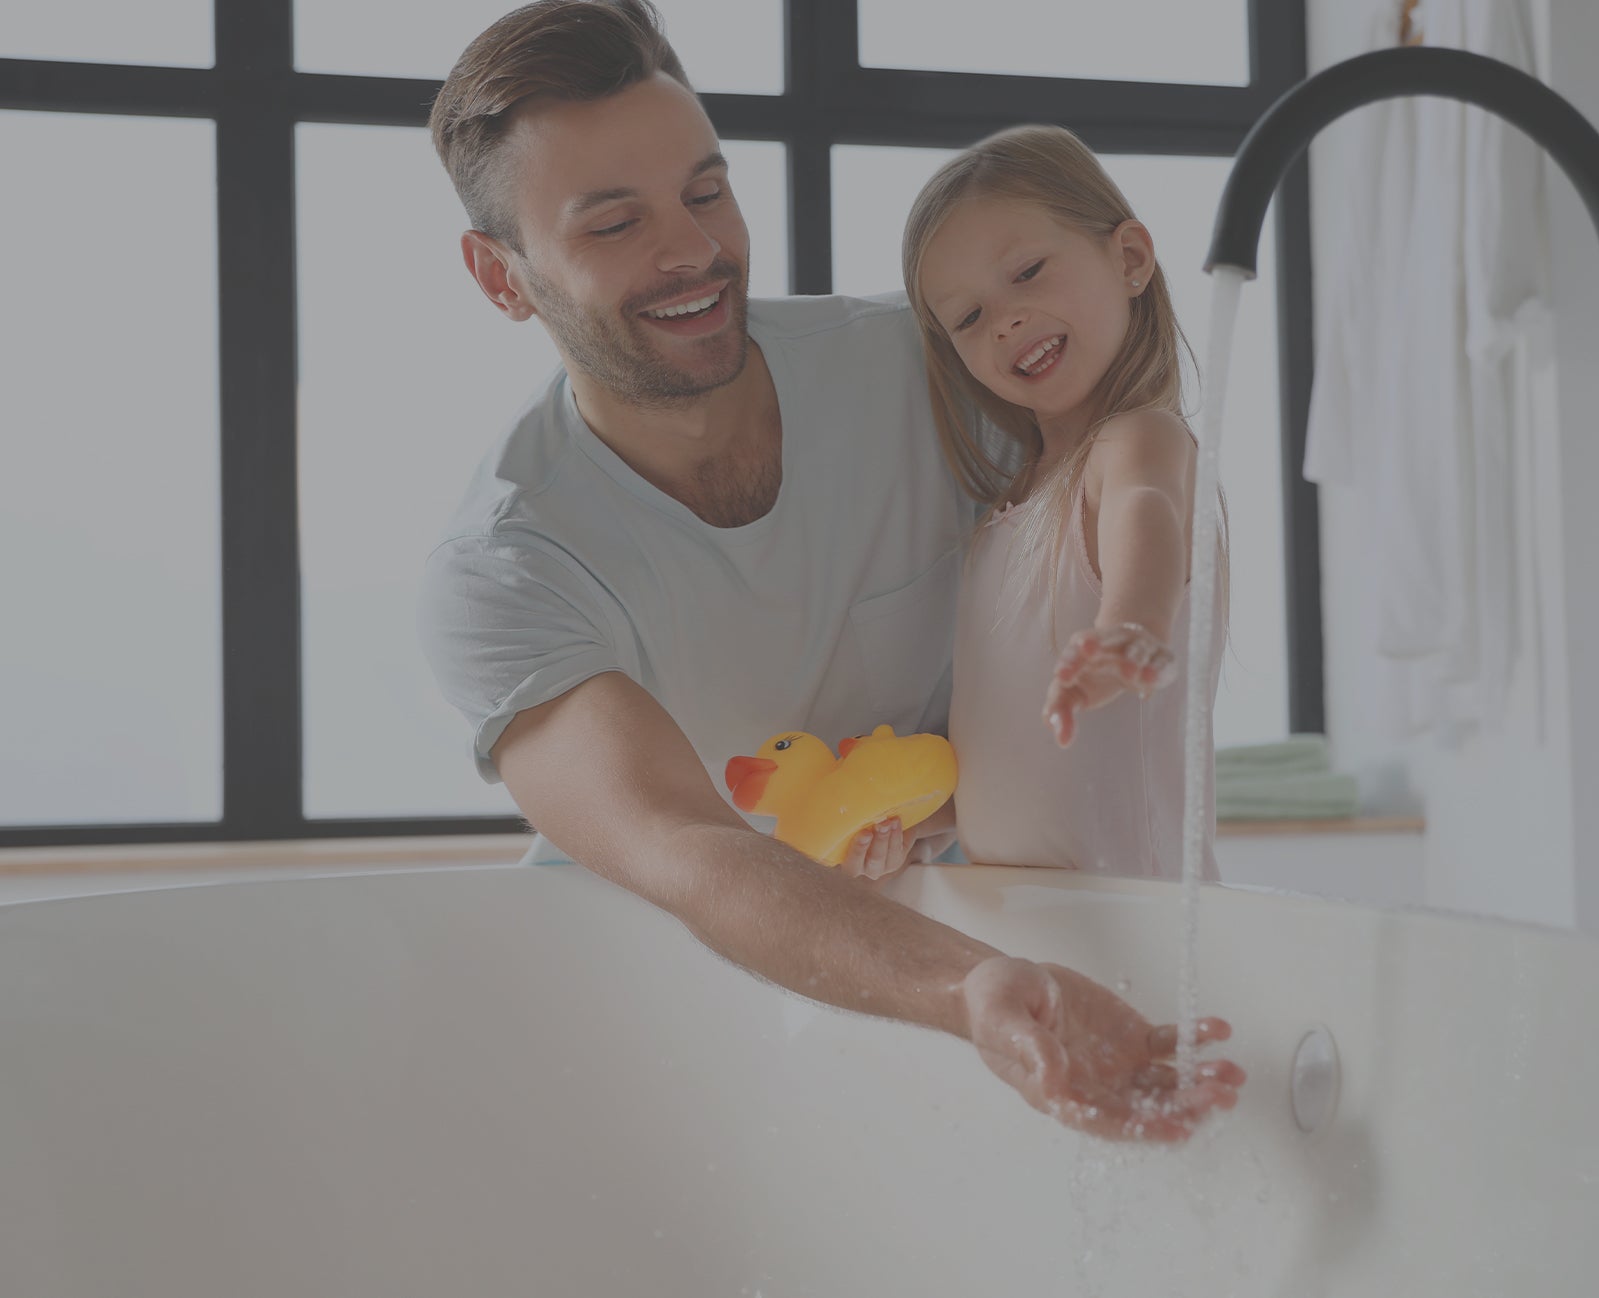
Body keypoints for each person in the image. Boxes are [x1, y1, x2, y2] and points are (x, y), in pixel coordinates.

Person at [416, 0, 1243, 1140]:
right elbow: (687, 843)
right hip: (650, 1027)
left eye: (706, 191)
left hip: (939, 966)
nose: (692, 251)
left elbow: (1114, 478)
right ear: (501, 276)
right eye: (613, 225)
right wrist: (968, 984)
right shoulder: (505, 568)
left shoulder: (927, 368)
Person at [903, 126, 1225, 880]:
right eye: (970, 318)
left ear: (1130, 260)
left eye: (1027, 272)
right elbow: (1019, 748)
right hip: (1033, 921)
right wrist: (933, 815)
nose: (1006, 319)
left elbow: (1147, 514)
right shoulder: (1002, 519)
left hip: (1138, 912)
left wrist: (1130, 628)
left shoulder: (1138, 441)